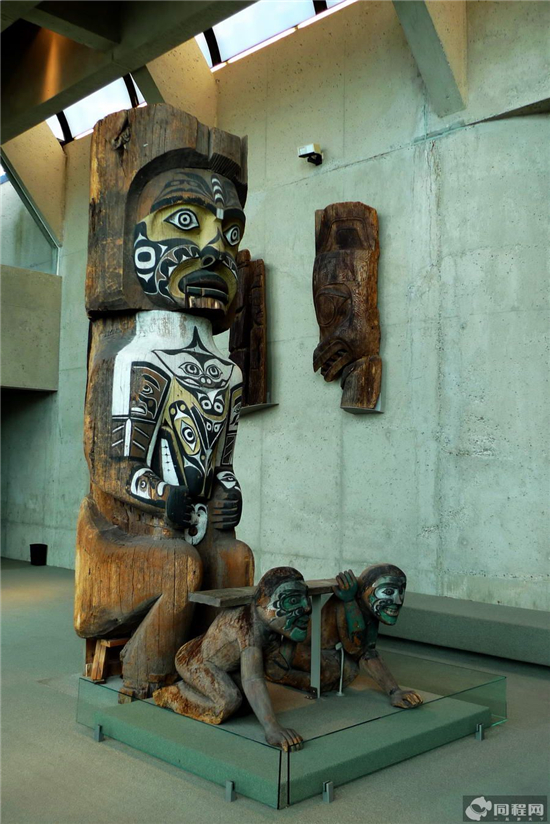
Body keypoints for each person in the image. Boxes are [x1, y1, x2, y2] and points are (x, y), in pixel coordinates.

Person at [154, 567, 312, 750]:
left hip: (222, 666)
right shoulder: (248, 627)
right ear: (263, 602)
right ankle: (176, 694)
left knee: (248, 704)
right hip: (194, 661)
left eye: (305, 598)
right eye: (293, 601)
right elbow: (253, 679)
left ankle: (199, 690)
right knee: (229, 700)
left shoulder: (269, 628)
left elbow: (275, 672)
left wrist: (291, 640)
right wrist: (272, 727)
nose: (307, 607)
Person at [265, 564, 423, 709]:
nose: (398, 600)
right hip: (303, 651)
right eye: (388, 592)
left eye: (401, 591)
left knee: (346, 669)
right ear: (365, 591)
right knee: (336, 669)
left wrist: (394, 691)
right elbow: (356, 648)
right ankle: (275, 674)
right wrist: (349, 602)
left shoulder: (369, 607)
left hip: (322, 652)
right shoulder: (349, 602)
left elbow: (368, 651)